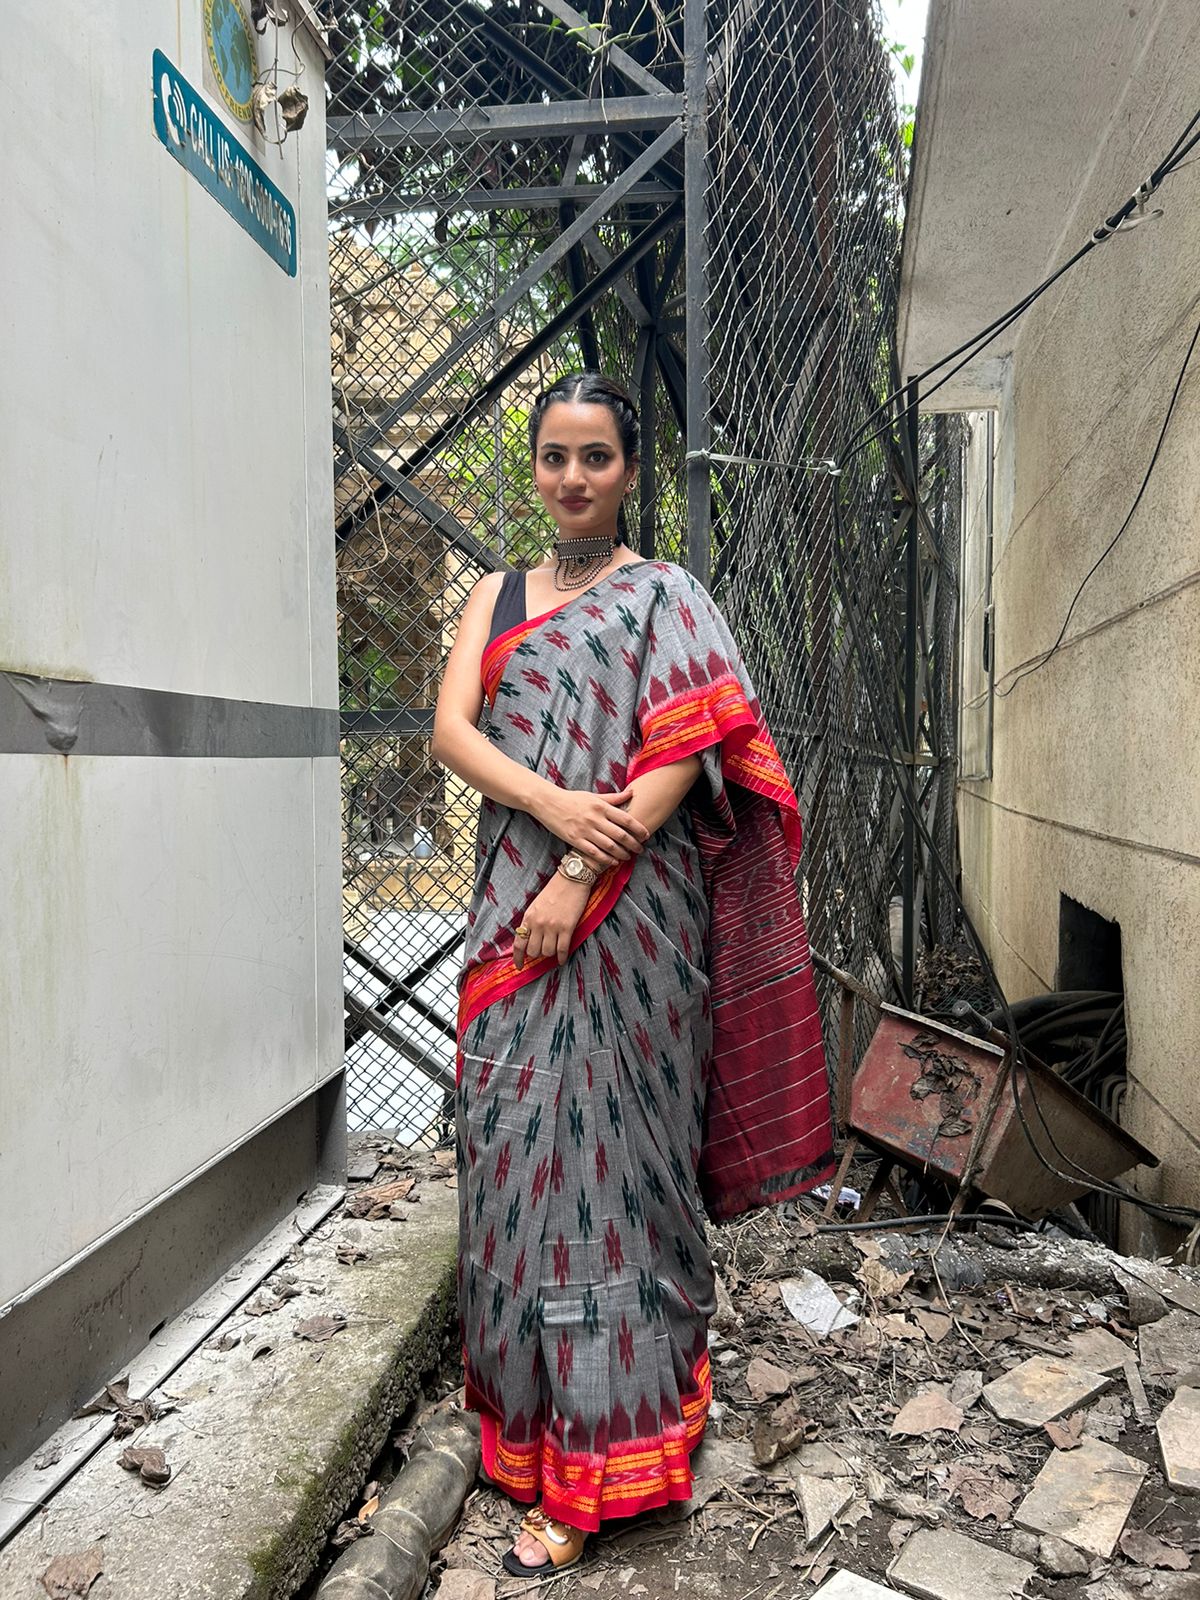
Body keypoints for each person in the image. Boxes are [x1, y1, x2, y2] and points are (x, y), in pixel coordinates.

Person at [431, 371, 834, 1579]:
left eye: (595, 457)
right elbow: (452, 730)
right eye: (553, 455)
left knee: (621, 1176)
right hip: (512, 904)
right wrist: (553, 812)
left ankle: (621, 1444)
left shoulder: (667, 596)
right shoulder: (493, 595)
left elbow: (698, 737)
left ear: (630, 470)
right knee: (511, 1157)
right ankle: (532, 1434)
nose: (570, 478)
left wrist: (580, 871)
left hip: (631, 923)